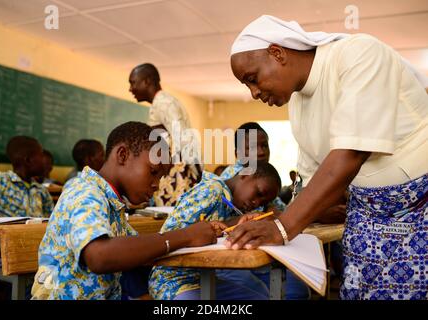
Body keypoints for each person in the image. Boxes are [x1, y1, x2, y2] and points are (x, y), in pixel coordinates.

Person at [227, 15, 428, 300]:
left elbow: (351, 153)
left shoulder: (358, 53)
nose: (254, 92)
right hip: (365, 222)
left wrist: (283, 227)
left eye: (252, 79)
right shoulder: (297, 106)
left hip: (419, 210)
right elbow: (310, 182)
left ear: (277, 53)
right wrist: (277, 217)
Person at [31, 122, 218, 300]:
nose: (156, 185)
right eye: (153, 172)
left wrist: (195, 234)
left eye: (161, 178)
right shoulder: (84, 191)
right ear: (122, 155)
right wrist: (185, 236)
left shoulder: (114, 204)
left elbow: (138, 252)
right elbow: (99, 256)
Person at [148, 162, 280, 300]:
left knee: (261, 297)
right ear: (245, 174)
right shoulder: (212, 190)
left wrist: (237, 224)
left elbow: (215, 228)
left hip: (203, 278)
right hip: (171, 280)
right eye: (258, 193)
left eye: (262, 202)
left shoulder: (232, 204)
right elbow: (169, 234)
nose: (256, 203)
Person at [220, 122, 309, 299]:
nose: (261, 152)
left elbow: (282, 214)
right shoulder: (229, 181)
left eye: (264, 145)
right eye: (252, 147)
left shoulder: (265, 179)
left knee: (297, 289)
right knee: (291, 292)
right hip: (233, 259)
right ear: (238, 153)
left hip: (262, 256)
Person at [129, 63, 202, 207]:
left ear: (147, 81)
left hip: (176, 176)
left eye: (133, 83)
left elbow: (182, 138)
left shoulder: (165, 103)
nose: (131, 89)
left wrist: (197, 176)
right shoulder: (160, 103)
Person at [0, 136, 54, 218]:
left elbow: (51, 222)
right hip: (6, 230)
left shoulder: (42, 191)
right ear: (28, 160)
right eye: (41, 155)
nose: (45, 160)